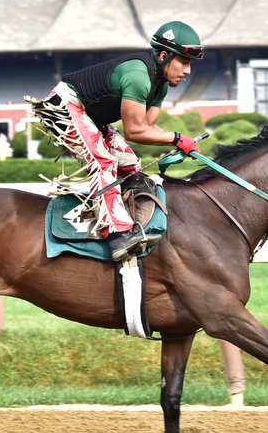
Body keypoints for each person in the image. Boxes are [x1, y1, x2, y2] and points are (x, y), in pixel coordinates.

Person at [32, 21, 204, 261]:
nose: (187, 71)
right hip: (65, 105)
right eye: (184, 62)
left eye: (190, 64)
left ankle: (133, 217)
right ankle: (116, 236)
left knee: (129, 163)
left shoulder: (160, 85)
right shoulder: (137, 75)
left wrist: (178, 142)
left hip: (92, 116)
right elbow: (134, 131)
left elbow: (147, 126)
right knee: (103, 164)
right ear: (164, 55)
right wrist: (176, 138)